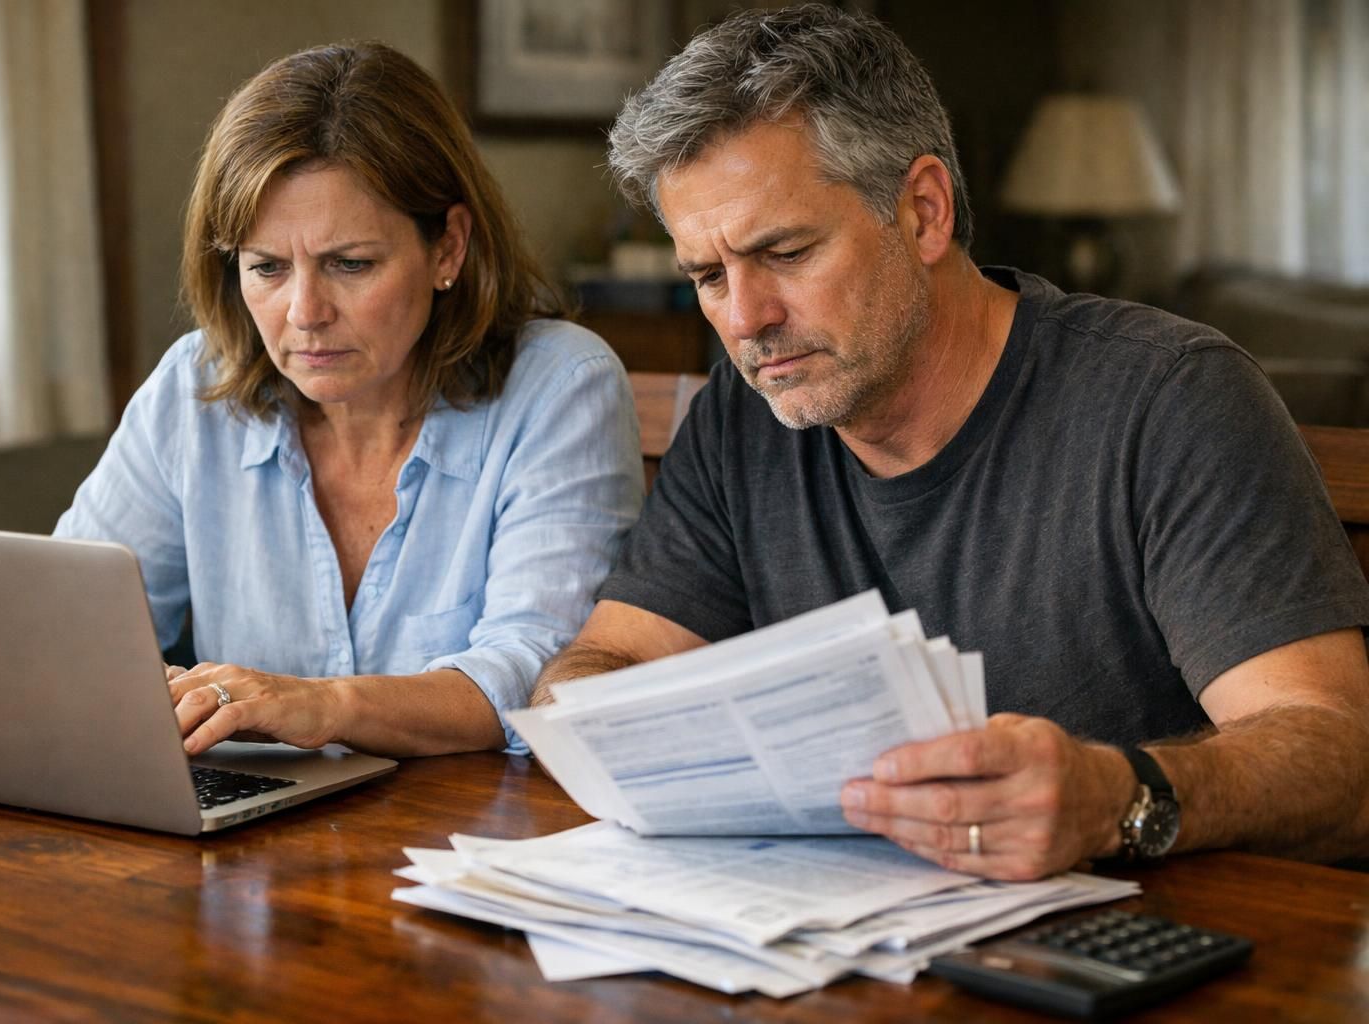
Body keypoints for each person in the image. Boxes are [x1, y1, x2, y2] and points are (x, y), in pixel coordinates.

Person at [530, 4, 1369, 881]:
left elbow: (1339, 764)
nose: (745, 321)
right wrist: (591, 716)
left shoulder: (1170, 399)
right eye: (709, 275)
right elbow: (604, 665)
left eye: (784, 253)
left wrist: (1116, 795)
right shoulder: (744, 420)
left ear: (924, 212)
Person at [56, 42, 641, 759]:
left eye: (350, 264)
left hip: (469, 835)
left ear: (448, 247)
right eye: (266, 267)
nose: (304, 312)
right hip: (253, 847)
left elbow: (533, 676)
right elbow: (66, 630)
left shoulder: (559, 386)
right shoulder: (193, 387)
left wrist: (325, 705)